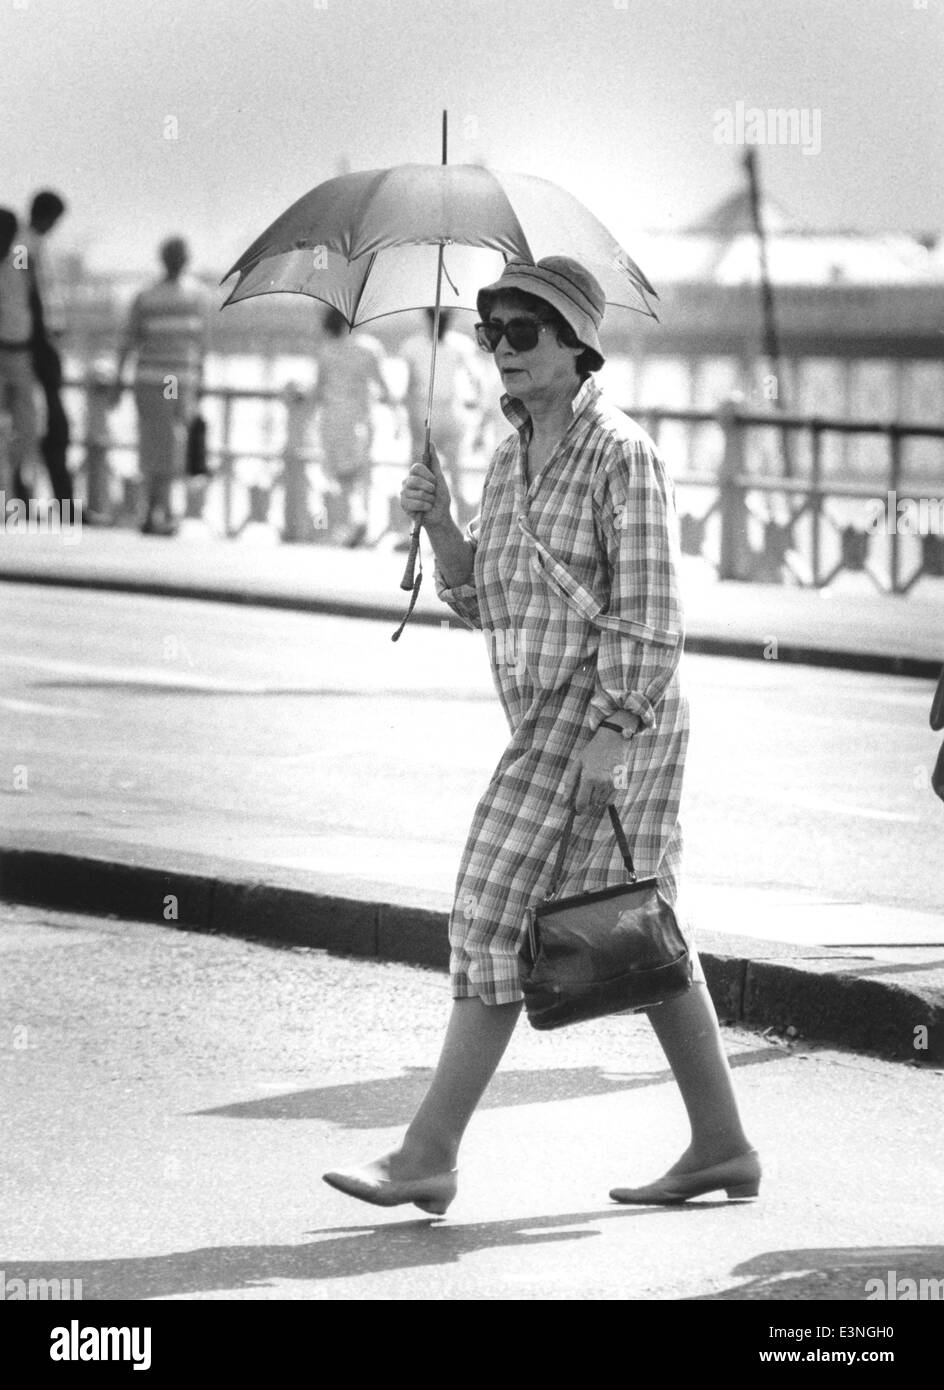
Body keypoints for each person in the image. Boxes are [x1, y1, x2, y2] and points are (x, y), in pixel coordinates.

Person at [323, 256, 760, 1214]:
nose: (502, 352)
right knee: (630, 925)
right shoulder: (510, 455)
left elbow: (650, 616)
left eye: (524, 333)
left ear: (576, 347)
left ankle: (426, 1153)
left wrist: (611, 734)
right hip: (549, 717)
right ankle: (724, 1145)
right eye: (492, 334)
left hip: (607, 713)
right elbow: (490, 600)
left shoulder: (620, 454)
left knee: (492, 902)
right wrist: (440, 529)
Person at [110, 237, 210, 535]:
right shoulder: (195, 295)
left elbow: (128, 341)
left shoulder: (148, 295)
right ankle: (161, 511)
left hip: (161, 379)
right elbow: (201, 344)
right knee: (169, 443)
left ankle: (154, 509)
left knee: (159, 443)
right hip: (170, 380)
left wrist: (118, 379)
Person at [311, 306, 392, 546]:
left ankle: (351, 524)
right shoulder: (369, 349)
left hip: (333, 420)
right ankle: (361, 522)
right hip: (361, 420)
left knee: (342, 477)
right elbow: (384, 389)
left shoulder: (326, 351)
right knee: (362, 474)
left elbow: (317, 391)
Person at [399, 307, 480, 524]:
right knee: (456, 474)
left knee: (418, 476)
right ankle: (464, 526)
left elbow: (408, 388)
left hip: (424, 415)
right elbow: (476, 381)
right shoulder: (461, 345)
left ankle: (412, 528)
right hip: (453, 414)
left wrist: (406, 422)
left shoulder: (412, 346)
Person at [23, 190, 72, 504]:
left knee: (38, 425)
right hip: (38, 347)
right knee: (54, 426)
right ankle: (63, 502)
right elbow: (34, 296)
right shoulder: (30, 247)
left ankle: (27, 499)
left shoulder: (31, 246)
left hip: (35, 345)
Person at [0, 208, 40, 501]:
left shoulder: (19, 258)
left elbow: (33, 292)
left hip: (20, 350)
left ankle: (18, 484)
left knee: (25, 425)